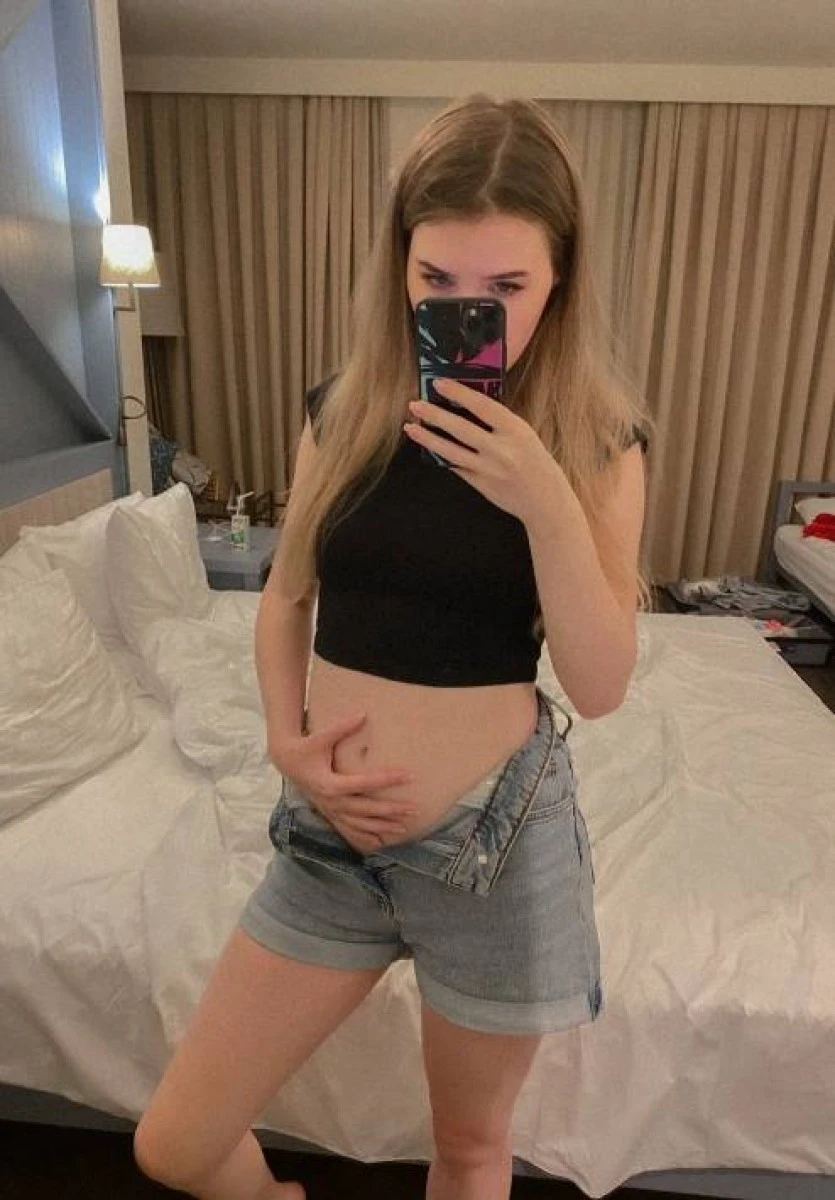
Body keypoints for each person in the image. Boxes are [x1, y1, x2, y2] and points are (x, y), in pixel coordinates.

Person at [133, 93, 652, 1200]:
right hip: (331, 838)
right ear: (397, 266)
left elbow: (601, 684)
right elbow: (285, 598)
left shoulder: (596, 443)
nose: (467, 312)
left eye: (506, 287)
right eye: (436, 279)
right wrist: (285, 741)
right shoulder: (343, 412)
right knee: (175, 1144)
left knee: (467, 1151)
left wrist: (546, 501)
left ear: (561, 277)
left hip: (492, 849)